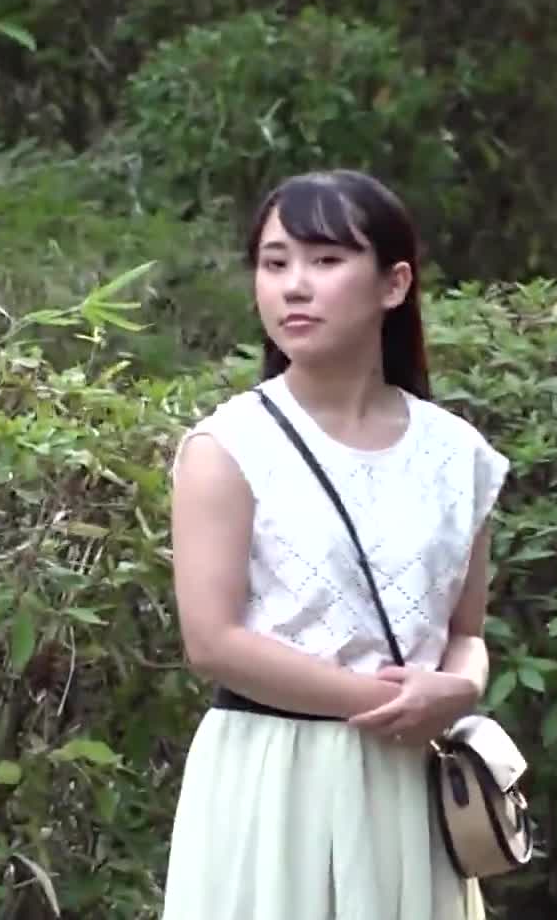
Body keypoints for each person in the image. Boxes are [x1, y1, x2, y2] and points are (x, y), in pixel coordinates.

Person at [160, 170, 511, 919]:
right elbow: (212, 642)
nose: (294, 285)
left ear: (394, 284)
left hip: (408, 785)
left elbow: (465, 633)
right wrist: (395, 704)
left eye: (325, 260)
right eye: (274, 262)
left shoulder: (460, 456)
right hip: (273, 779)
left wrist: (460, 688)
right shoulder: (228, 447)